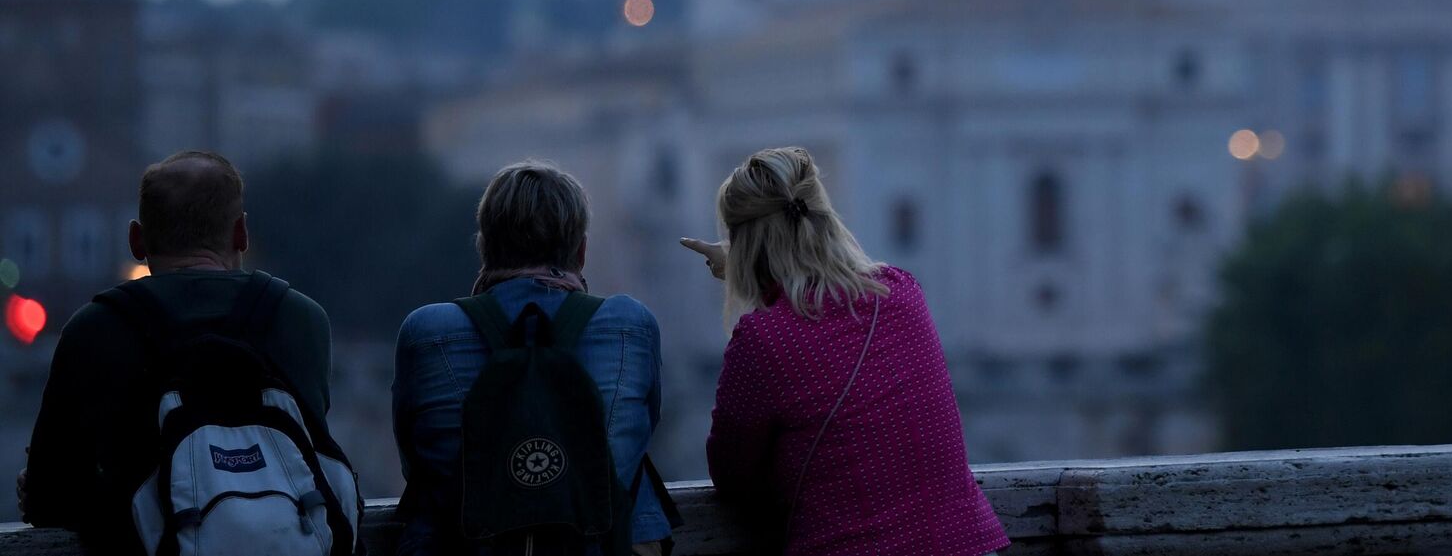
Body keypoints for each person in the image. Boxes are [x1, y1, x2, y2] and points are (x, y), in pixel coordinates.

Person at [681, 146, 1008, 556]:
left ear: (743, 243)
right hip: (966, 544)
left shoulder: (763, 339)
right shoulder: (902, 291)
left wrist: (748, 273)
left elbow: (733, 474)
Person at [15, 149, 340, 551]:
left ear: (137, 240)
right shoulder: (303, 320)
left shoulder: (92, 329)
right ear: (241, 233)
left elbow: (48, 498)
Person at [392, 159, 673, 556]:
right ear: (581, 250)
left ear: (484, 246)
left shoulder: (426, 333)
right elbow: (647, 426)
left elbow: (413, 460)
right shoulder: (631, 325)